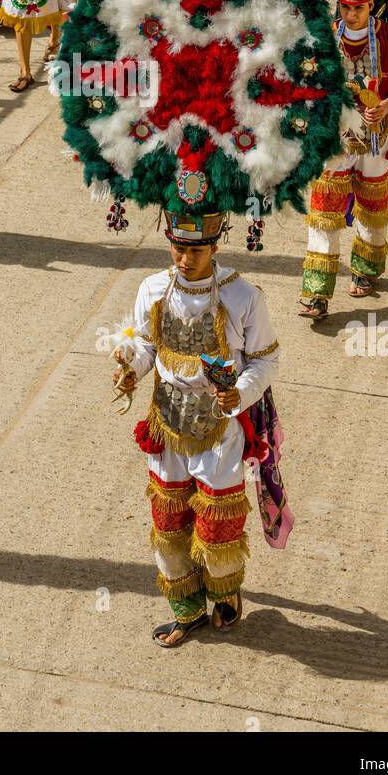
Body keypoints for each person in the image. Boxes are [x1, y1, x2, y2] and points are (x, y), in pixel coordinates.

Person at [112, 211, 284, 645]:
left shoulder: (243, 296)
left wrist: (239, 394)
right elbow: (148, 347)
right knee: (169, 523)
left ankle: (225, 595)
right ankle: (187, 611)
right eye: (178, 247)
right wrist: (131, 367)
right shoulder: (151, 288)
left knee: (216, 526)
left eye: (195, 250)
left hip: (220, 430)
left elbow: (265, 359)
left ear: (215, 248)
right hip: (167, 422)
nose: (185, 258)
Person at [299, 0, 388, 319]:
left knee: (372, 203)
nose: (351, 15)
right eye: (345, 7)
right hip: (335, 139)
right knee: (324, 211)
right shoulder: (322, 38)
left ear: (372, 3)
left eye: (358, 8)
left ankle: (366, 269)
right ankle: (316, 293)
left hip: (375, 139)